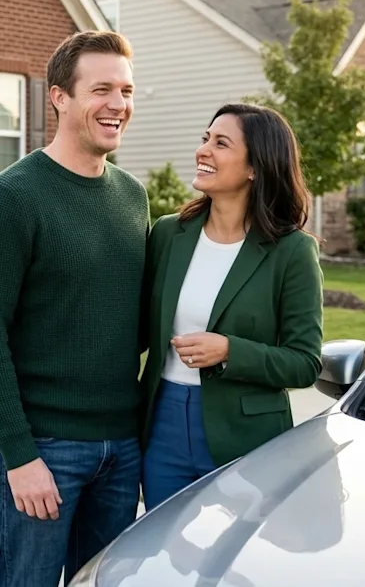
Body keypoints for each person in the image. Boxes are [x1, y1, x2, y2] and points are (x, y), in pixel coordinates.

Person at [0, 31, 151, 586]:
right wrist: (19, 456)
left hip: (122, 449)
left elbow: (126, 321)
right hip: (46, 448)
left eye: (127, 90)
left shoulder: (132, 196)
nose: (118, 104)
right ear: (59, 97)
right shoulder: (11, 199)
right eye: (101, 90)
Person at [138, 102, 324, 511]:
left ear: (255, 167)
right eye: (205, 139)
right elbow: (136, 330)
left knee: (233, 563)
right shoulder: (170, 234)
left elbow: (304, 362)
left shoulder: (291, 251)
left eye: (220, 143)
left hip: (246, 434)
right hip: (163, 423)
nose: (204, 150)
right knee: (163, 557)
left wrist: (228, 351)